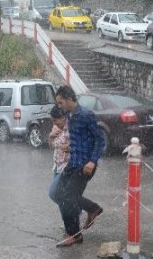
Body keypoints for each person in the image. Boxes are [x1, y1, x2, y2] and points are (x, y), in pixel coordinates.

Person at [54, 85, 106, 247]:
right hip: (73, 162)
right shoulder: (69, 115)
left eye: (61, 102)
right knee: (58, 194)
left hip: (85, 165)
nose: (59, 106)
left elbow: (100, 140)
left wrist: (92, 161)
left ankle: (77, 232)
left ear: (70, 99)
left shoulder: (86, 115)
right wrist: (71, 147)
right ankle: (89, 214)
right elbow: (80, 139)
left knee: (69, 197)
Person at [47, 105, 70, 204]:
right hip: (57, 166)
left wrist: (70, 147)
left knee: (54, 193)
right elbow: (51, 147)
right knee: (61, 194)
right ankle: (72, 211)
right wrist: (50, 137)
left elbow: (80, 148)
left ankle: (72, 210)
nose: (54, 123)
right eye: (52, 121)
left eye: (55, 120)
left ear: (63, 118)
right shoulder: (56, 127)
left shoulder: (71, 129)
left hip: (67, 166)